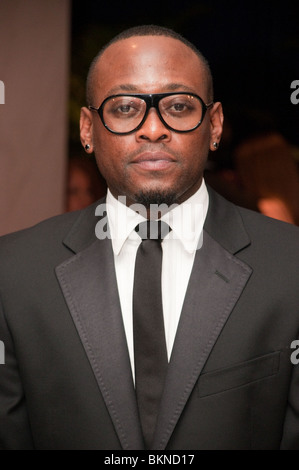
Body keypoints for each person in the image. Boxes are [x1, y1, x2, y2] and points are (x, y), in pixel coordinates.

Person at [0, 25, 299, 451]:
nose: (153, 129)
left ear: (214, 125)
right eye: (124, 108)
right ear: (88, 129)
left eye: (178, 106)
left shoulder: (290, 266)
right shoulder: (13, 272)